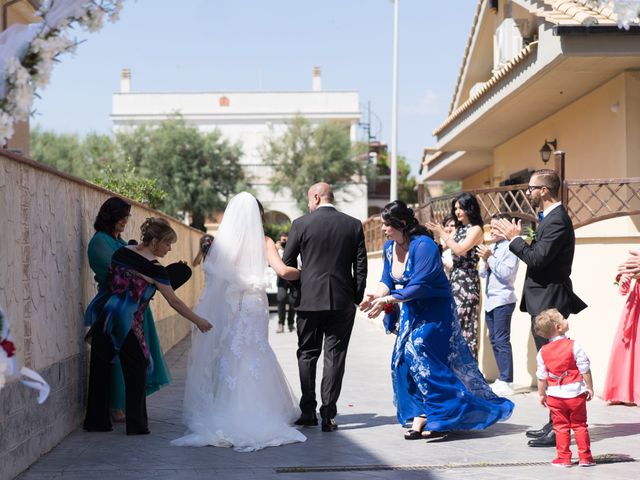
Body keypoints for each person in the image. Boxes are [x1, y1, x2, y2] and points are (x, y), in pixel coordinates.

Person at [360, 200, 514, 440]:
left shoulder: (425, 247)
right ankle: (421, 413)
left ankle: (443, 415)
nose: (383, 229)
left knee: (418, 349)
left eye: (386, 224)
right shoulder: (390, 248)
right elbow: (386, 280)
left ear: (400, 223)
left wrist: (388, 299)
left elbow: (420, 285)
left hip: (436, 310)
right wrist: (377, 296)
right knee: (400, 359)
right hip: (412, 310)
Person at [172, 192, 306, 451]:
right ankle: (257, 410)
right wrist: (305, 271)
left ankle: (225, 407)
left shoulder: (224, 245)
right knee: (254, 349)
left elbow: (214, 274)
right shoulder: (264, 241)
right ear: (259, 215)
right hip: (254, 304)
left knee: (231, 352)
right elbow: (282, 271)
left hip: (233, 306)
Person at [83, 218, 212, 435]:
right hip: (128, 323)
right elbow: (174, 301)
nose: (169, 248)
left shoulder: (123, 252)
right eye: (167, 244)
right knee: (136, 370)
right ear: (154, 241)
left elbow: (116, 281)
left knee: (100, 368)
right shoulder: (155, 269)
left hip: (106, 316)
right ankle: (137, 425)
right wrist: (198, 321)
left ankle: (96, 422)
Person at [493, 168, 587, 448]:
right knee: (549, 364)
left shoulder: (557, 220)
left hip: (550, 301)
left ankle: (559, 428)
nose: (528, 193)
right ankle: (554, 424)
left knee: (555, 366)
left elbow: (537, 259)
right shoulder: (548, 219)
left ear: (544, 190)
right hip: (542, 300)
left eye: (531, 189)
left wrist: (514, 239)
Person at [283, 182, 367, 432]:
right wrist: (356, 296)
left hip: (309, 300)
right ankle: (329, 414)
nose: (308, 204)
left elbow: (287, 264)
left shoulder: (301, 224)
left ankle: (308, 411)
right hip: (342, 300)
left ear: (317, 197)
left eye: (309, 200)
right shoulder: (353, 224)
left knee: (307, 353)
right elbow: (360, 266)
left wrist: (299, 291)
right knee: (335, 356)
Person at [86, 197, 171, 423]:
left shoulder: (120, 242)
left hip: (134, 307)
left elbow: (139, 266)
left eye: (126, 217)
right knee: (117, 357)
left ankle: (127, 406)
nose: (125, 221)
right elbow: (119, 273)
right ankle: (117, 406)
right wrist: (149, 275)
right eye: (121, 217)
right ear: (109, 216)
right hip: (114, 309)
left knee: (136, 359)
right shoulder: (100, 242)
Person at [534, 309, 595, 467]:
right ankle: (585, 457)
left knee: (560, 427)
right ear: (558, 327)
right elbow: (585, 369)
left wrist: (542, 394)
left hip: (555, 396)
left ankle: (564, 458)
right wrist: (589, 387)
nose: (566, 319)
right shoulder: (574, 346)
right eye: (563, 318)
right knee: (580, 425)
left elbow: (541, 377)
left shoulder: (542, 352)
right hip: (576, 394)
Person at [426, 193, 484, 359]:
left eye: (461, 207)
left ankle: (469, 372)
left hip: (467, 279)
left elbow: (459, 249)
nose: (458, 211)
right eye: (456, 208)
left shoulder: (476, 229)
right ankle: (455, 368)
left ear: (470, 208)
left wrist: (442, 232)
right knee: (454, 323)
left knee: (465, 324)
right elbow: (442, 247)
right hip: (455, 278)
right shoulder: (458, 229)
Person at [477, 213, 520, 396]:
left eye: (495, 227)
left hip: (503, 300)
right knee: (494, 339)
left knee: (502, 340)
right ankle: (501, 378)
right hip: (491, 301)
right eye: (491, 227)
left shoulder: (512, 247)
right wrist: (486, 259)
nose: (492, 230)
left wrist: (490, 258)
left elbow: (505, 273)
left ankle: (507, 380)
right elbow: (482, 273)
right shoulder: (493, 246)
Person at [602, 270, 640, 405]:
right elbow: (623, 286)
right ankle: (624, 392)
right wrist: (623, 278)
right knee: (627, 343)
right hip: (636, 303)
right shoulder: (635, 258)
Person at [276, 233, 296, 334]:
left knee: (293, 302)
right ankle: (281, 323)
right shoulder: (277, 250)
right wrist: (277, 249)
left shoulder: (294, 248)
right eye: (283, 241)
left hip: (293, 279)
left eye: (287, 241)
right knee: (281, 299)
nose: (285, 243)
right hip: (281, 279)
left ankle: (291, 324)